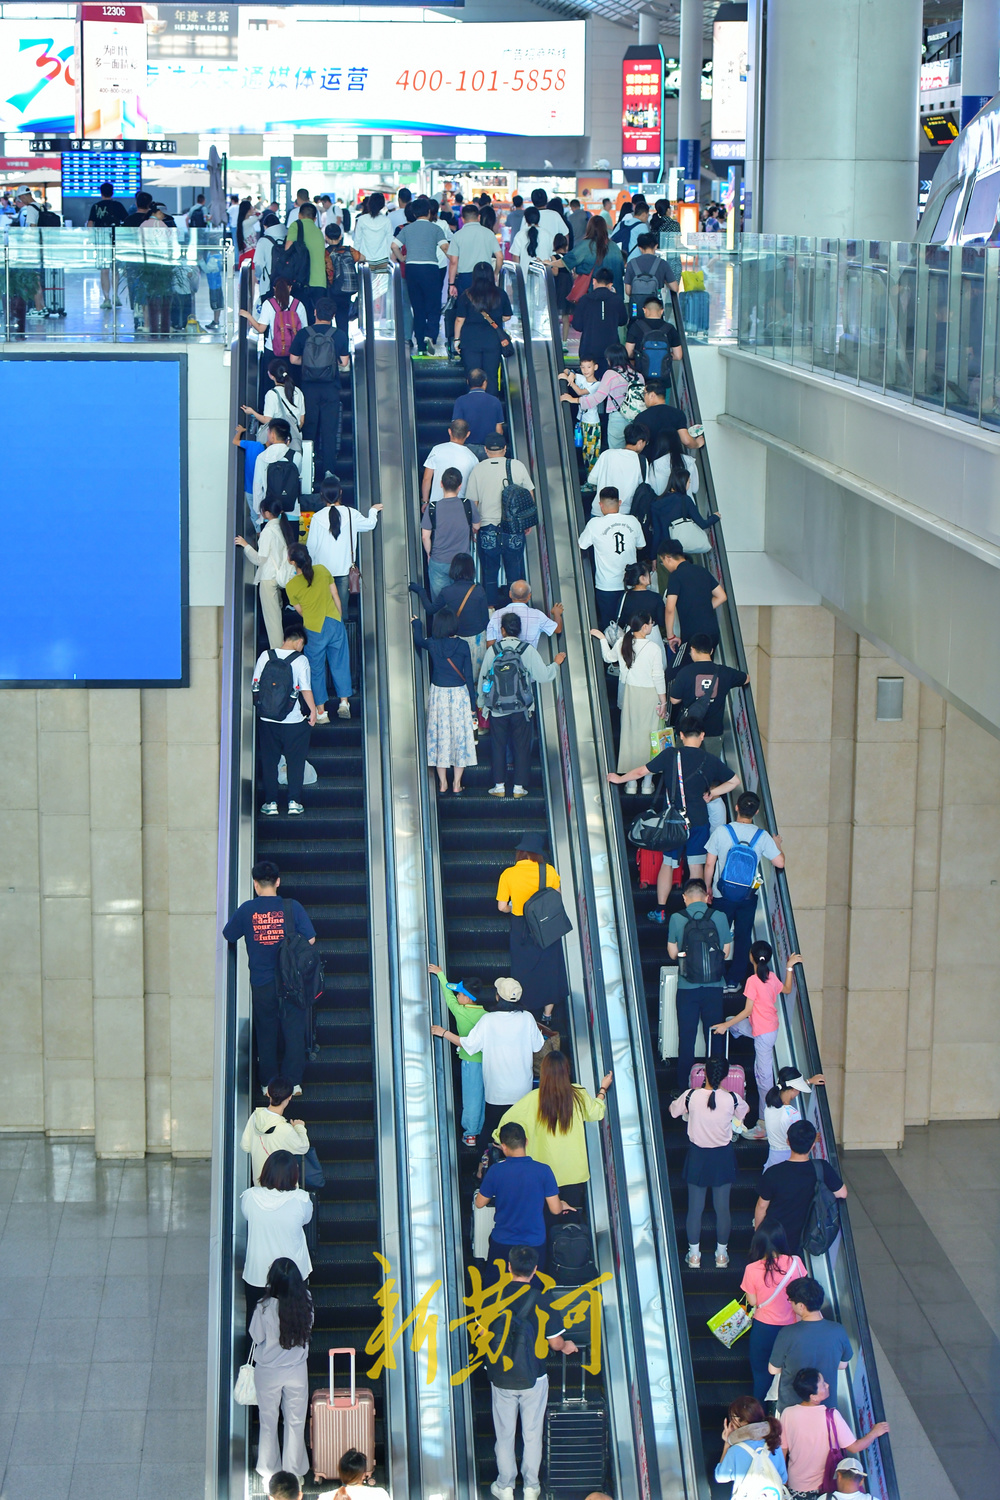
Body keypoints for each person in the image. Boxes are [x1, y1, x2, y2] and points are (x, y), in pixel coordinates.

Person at [483, 1243, 580, 1500]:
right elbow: (555, 1343)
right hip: (534, 1377)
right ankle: (531, 1486)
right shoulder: (543, 1299)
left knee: (504, 1434)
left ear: (508, 1267)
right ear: (535, 1270)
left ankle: (504, 1486)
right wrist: (567, 1345)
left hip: (502, 1376)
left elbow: (482, 1334)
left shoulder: (492, 1296)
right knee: (532, 1434)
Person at [613, 717, 739, 903]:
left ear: (680, 735)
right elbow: (735, 781)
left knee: (668, 864)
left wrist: (619, 779)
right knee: (696, 866)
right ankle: (695, 911)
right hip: (699, 820)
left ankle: (661, 910)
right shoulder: (710, 760)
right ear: (702, 736)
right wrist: (712, 793)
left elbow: (641, 772)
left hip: (673, 820)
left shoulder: (670, 754)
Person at [224, 860, 316, 1092]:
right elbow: (311, 939)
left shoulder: (246, 910)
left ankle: (268, 1084)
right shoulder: (292, 907)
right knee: (293, 1031)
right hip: (292, 983)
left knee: (266, 1032)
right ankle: (293, 1082)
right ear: (278, 882)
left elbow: (229, 935)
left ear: (256, 884)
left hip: (262, 983)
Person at [494, 1051, 612, 1209]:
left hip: (543, 1175)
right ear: (566, 1071)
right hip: (574, 1173)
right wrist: (602, 1089)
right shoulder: (577, 1094)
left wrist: (500, 1140)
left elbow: (504, 1127)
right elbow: (596, 1112)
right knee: (570, 1227)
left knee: (546, 1221)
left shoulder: (533, 1099)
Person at [434, 977, 544, 1138]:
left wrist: (444, 1033)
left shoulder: (488, 1020)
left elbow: (470, 1045)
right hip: (522, 1089)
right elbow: (538, 1046)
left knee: (493, 1131)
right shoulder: (527, 1018)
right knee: (520, 1131)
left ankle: (489, 1158)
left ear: (497, 997)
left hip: (496, 1091)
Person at [668, 1054, 748, 1267]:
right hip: (722, 1157)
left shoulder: (690, 1096)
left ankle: (694, 1256)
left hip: (697, 1156)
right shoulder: (732, 1098)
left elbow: (673, 1112)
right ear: (724, 1075)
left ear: (704, 1073)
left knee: (695, 1208)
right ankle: (721, 1256)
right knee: (723, 1209)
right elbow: (742, 1114)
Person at [478, 617, 566, 799]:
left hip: (497, 709)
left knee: (498, 746)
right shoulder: (527, 650)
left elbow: (483, 681)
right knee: (521, 746)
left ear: (502, 631)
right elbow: (544, 676)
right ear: (518, 630)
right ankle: (518, 788)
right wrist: (556, 663)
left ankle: (499, 786)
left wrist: (482, 706)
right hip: (522, 709)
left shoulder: (492, 651)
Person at [474, 1123, 574, 1270]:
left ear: (503, 1146)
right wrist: (562, 1204)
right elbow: (555, 1209)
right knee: (532, 1288)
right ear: (526, 1142)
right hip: (534, 1242)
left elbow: (479, 1203)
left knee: (496, 1289)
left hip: (502, 1241)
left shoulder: (496, 1171)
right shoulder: (543, 1171)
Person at [249, 1256, 313, 1482]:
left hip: (268, 1371)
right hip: (296, 1370)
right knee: (295, 1422)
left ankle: (269, 1473)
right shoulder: (306, 1300)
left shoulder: (264, 1307)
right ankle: (294, 1472)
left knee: (268, 1421)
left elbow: (257, 1337)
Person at [714, 943, 803, 1104]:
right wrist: (789, 967)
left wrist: (723, 1027)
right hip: (764, 1027)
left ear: (751, 956)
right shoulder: (771, 976)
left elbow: (748, 1010)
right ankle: (732, 1032)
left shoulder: (753, 981)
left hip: (763, 1034)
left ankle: (764, 1119)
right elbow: (787, 989)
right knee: (732, 1022)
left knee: (764, 1079)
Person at [780, 1367, 888, 1499]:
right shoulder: (831, 1416)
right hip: (824, 1486)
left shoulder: (787, 1414)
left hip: (795, 1485)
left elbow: (782, 1451)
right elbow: (854, 1447)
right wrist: (874, 1432)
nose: (827, 1385)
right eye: (823, 1385)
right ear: (813, 1396)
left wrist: (783, 1479)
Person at [495, 831, 569, 1020]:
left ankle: (525, 1010)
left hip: (521, 927)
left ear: (521, 852)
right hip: (546, 927)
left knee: (523, 970)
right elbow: (557, 899)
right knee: (550, 968)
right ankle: (547, 1014)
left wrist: (514, 907)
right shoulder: (549, 871)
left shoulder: (509, 874)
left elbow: (502, 907)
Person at [590, 612, 666, 792]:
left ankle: (631, 783)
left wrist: (602, 638)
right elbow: (658, 677)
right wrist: (663, 702)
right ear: (645, 626)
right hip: (651, 696)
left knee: (630, 737)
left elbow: (608, 658)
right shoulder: (653, 648)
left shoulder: (623, 643)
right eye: (650, 623)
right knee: (652, 738)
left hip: (630, 694)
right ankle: (647, 784)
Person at [251, 620, 317, 816]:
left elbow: (256, 684)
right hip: (294, 721)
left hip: (267, 720)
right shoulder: (300, 660)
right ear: (299, 642)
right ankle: (294, 803)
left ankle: (270, 803)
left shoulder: (265, 656)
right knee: (295, 761)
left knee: (269, 761)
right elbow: (305, 689)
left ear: (284, 639)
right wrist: (313, 712)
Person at [240, 1152, 313, 1330]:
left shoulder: (249, 1197)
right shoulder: (302, 1199)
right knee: (294, 1322)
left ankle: (256, 1357)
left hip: (258, 1276)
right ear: (293, 1175)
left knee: (256, 1324)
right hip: (292, 1274)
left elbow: (247, 1216)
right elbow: (306, 1220)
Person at [754, 1121, 848, 1256]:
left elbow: (762, 1206)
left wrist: (759, 1231)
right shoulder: (821, 1168)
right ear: (812, 1145)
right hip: (801, 1233)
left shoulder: (773, 1172)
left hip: (775, 1233)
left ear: (788, 1141)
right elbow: (842, 1193)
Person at [411, 608, 477, 795]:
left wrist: (417, 624)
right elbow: (469, 676)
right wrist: (473, 707)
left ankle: (442, 783)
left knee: (440, 737)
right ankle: (457, 783)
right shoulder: (463, 645)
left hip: (439, 694)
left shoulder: (432, 643)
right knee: (459, 738)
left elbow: (418, 640)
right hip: (459, 695)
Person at [740, 1223, 807, 1402]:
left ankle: (760, 1417)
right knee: (790, 1373)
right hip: (792, 1329)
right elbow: (803, 1293)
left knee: (762, 1374)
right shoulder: (796, 1263)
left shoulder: (752, 1269)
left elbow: (753, 1302)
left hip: (763, 1329)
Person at [466, 435, 537, 605]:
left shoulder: (478, 469)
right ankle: (516, 608)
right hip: (513, 529)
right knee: (514, 573)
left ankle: (491, 610)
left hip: (487, 529)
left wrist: (473, 528)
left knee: (489, 574)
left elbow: (473, 504)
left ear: (485, 450)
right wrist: (527, 522)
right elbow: (529, 496)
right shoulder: (517, 466)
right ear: (505, 449)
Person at [285, 544, 352, 723]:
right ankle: (344, 703)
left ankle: (321, 712)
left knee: (315, 669)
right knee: (340, 663)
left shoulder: (291, 586)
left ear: (293, 562)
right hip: (333, 621)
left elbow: (300, 612)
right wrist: (338, 618)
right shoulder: (322, 570)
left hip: (314, 629)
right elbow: (335, 595)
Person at [289, 296, 350, 482]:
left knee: (309, 429)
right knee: (329, 430)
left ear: (314, 312)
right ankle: (329, 472)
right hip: (331, 388)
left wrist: (309, 365)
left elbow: (293, 359)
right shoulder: (338, 334)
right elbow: (345, 362)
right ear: (332, 315)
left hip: (308, 389)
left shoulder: (303, 334)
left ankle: (307, 470)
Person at [428, 963, 487, 1146]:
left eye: (460, 994)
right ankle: (480, 1129)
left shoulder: (461, 1012)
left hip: (470, 1063)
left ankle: (470, 1134)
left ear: (468, 999)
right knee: (482, 1097)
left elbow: (449, 999)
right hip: (489, 1063)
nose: (457, 995)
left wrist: (440, 975)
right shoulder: (486, 1015)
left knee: (471, 1097)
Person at [409, 552, 490, 681]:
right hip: (477, 640)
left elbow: (430, 610)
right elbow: (486, 620)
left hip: (456, 640)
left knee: (459, 674)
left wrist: (421, 591)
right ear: (471, 570)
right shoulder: (479, 590)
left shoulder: (447, 591)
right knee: (476, 676)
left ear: (453, 569)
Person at [306, 476, 382, 602]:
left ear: (322, 495)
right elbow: (370, 524)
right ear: (340, 492)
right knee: (341, 611)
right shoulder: (351, 514)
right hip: (344, 572)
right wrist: (373, 510)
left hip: (321, 573)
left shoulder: (317, 518)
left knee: (324, 611)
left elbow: (311, 548)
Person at [578, 489, 647, 627]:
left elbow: (582, 545)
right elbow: (641, 546)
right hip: (631, 584)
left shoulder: (594, 524)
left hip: (606, 585)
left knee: (609, 626)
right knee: (632, 625)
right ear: (620, 503)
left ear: (600, 505)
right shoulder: (632, 521)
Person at [392, 196, 451, 353]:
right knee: (433, 305)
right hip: (430, 269)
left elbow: (394, 246)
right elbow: (446, 248)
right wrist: (455, 261)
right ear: (429, 211)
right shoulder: (435, 229)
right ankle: (430, 335)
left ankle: (420, 342)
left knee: (417, 308)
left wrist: (402, 258)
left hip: (411, 269)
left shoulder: (407, 229)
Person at [235, 502, 297, 649]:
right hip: (279, 577)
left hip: (268, 578)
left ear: (267, 513)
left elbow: (259, 559)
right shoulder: (282, 527)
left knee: (272, 620)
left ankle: (278, 651)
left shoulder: (268, 531)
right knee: (277, 615)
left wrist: (245, 545)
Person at [421, 466, 482, 600]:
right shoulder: (468, 505)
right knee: (462, 600)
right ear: (460, 486)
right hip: (462, 562)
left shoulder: (433, 508)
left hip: (439, 560)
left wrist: (429, 554)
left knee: (440, 601)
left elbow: (425, 536)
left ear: (441, 484)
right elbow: (477, 526)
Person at [454, 261, 513, 392]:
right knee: (491, 375)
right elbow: (507, 316)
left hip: (470, 341)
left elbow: (459, 319)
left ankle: (472, 406)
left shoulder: (466, 294)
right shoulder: (500, 293)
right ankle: (491, 406)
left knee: (472, 376)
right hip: (492, 341)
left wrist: (457, 340)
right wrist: (496, 319)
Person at [659, 540, 728, 650]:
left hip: (693, 634)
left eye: (662, 561)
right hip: (713, 631)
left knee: (683, 667)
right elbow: (722, 596)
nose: (665, 565)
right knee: (706, 665)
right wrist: (703, 608)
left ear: (668, 558)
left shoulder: (675, 576)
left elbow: (670, 609)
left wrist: (670, 636)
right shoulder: (702, 570)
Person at [241, 1076, 311, 1185]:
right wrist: (299, 1127)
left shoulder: (255, 1116)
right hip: (283, 1186)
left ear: (268, 1093)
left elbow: (245, 1146)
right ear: (289, 1097)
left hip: (260, 1183)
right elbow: (303, 1147)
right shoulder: (285, 1129)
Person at [714, 1396, 788, 1490]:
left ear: (739, 1421)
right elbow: (783, 1478)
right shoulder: (774, 1444)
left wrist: (727, 1444)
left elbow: (720, 1477)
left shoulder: (735, 1450)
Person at [762, 1068, 825, 1171]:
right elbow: (798, 1140)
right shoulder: (792, 1113)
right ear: (794, 1089)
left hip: (772, 1159)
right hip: (788, 1159)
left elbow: (788, 1086)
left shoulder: (769, 1104)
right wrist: (813, 1138)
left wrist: (809, 1081)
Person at [649, 465, 719, 559]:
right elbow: (702, 524)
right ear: (683, 482)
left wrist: (653, 557)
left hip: (664, 553)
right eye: (689, 482)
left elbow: (656, 533)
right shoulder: (685, 500)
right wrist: (715, 517)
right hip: (678, 552)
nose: (689, 485)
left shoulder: (656, 502)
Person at [584, 425, 653, 515]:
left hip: (600, 510)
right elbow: (643, 487)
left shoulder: (607, 454)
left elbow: (591, 479)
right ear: (640, 442)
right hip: (624, 512)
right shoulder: (641, 461)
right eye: (645, 443)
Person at [242, 358, 306, 454]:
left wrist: (253, 412)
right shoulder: (298, 391)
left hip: (276, 443)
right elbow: (301, 421)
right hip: (295, 441)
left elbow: (267, 420)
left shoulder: (272, 394)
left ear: (271, 375)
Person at [569, 270, 629, 366]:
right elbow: (623, 321)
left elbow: (577, 325)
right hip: (611, 349)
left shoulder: (584, 300)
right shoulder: (617, 299)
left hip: (588, 348)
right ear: (610, 285)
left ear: (594, 281)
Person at [485, 580, 562, 651]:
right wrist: (557, 613)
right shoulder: (537, 615)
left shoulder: (496, 615)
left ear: (510, 594)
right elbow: (558, 629)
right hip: (528, 663)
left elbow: (490, 645)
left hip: (503, 663)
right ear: (529, 596)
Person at [639, 378, 704, 461]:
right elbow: (686, 440)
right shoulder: (677, 413)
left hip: (649, 463)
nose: (643, 397)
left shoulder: (641, 417)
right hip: (673, 462)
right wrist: (697, 444)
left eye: (644, 394)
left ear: (652, 395)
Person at [448, 202, 503, 299]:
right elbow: (500, 256)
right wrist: (495, 273)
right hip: (486, 275)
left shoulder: (457, 236)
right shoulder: (489, 233)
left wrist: (451, 284)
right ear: (479, 217)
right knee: (485, 304)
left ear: (462, 219)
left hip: (465, 277)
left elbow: (453, 262)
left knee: (466, 306)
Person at [87, 182, 128, 308]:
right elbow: (126, 222)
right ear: (113, 192)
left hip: (101, 241)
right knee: (115, 270)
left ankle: (106, 299)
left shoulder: (95, 206)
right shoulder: (118, 205)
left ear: (101, 193)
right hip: (115, 241)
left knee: (104, 270)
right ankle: (116, 296)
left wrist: (91, 238)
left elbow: (90, 224)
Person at [559, 356, 604, 468]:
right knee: (584, 452)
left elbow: (580, 392)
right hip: (582, 421)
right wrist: (571, 374)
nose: (585, 370)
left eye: (589, 367)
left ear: (595, 367)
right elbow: (565, 371)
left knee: (592, 453)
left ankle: (592, 481)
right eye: (583, 367)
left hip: (592, 423)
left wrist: (571, 382)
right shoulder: (581, 378)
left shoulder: (597, 384)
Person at [285, 201, 326, 318]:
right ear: (314, 219)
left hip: (302, 281)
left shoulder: (296, 225)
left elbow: (288, 248)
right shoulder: (318, 232)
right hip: (320, 282)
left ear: (299, 215)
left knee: (300, 319)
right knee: (315, 319)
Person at [422, 418, 479, 503]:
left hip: (437, 504)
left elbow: (427, 478)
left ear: (449, 431)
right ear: (468, 434)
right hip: (460, 507)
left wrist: (425, 501)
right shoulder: (473, 458)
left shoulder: (436, 450)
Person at [624, 235, 679, 319]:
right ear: (656, 246)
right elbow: (675, 288)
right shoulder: (662, 263)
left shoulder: (632, 263)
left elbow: (628, 291)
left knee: (634, 324)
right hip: (655, 308)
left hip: (636, 307)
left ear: (639, 248)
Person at [452, 367, 505, 446]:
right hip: (488, 447)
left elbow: (457, 427)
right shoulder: (495, 401)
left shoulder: (460, 401)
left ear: (467, 382)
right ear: (484, 383)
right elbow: (499, 430)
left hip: (467, 447)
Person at [324, 222, 360, 333]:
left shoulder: (325, 253)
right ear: (340, 236)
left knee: (327, 320)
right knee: (343, 321)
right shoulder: (349, 250)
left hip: (331, 291)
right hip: (345, 291)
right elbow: (362, 258)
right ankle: (344, 347)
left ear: (326, 237)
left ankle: (329, 345)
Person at [350, 189, 394, 271]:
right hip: (382, 260)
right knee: (381, 284)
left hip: (364, 260)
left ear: (369, 204)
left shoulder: (362, 220)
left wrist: (355, 258)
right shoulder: (386, 221)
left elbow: (357, 241)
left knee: (365, 283)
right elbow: (389, 241)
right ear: (382, 205)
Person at [509, 205, 552, 270]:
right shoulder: (548, 235)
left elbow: (515, 259)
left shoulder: (520, 235)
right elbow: (552, 256)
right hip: (544, 277)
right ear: (539, 218)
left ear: (525, 219)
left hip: (524, 277)